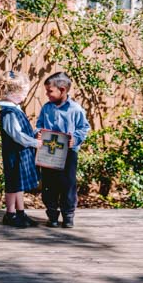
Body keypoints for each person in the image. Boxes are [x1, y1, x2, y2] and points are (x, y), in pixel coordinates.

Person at [36, 71, 90, 228]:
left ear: (63, 90)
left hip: (68, 154)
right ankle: (52, 214)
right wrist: (38, 132)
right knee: (49, 184)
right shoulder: (46, 108)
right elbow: (39, 125)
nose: (47, 94)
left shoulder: (75, 109)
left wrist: (76, 138)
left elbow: (84, 127)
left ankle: (68, 216)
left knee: (68, 184)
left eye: (50, 91)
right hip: (48, 153)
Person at [0, 71, 42, 228]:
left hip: (22, 154)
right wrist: (34, 142)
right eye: (23, 93)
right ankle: (10, 214)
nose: (25, 96)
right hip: (14, 156)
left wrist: (35, 133)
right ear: (12, 92)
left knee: (19, 185)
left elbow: (24, 130)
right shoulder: (8, 112)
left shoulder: (16, 108)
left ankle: (21, 213)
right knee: (13, 185)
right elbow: (17, 135)